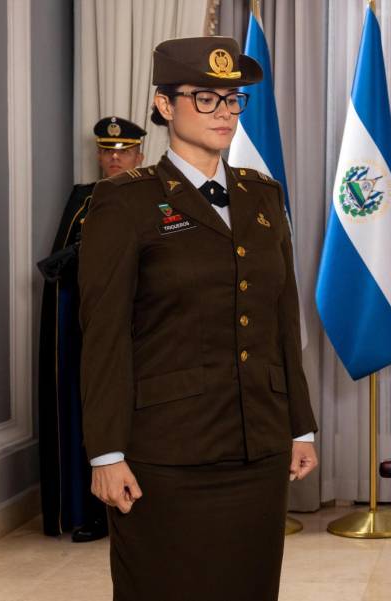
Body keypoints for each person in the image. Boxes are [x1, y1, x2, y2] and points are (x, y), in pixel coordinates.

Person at [78, 36, 318, 600]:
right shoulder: (124, 201)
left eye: (232, 99)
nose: (224, 112)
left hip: (259, 447)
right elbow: (105, 336)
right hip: (166, 453)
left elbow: (282, 319)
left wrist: (299, 427)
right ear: (164, 105)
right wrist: (106, 453)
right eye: (204, 98)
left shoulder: (262, 195)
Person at [37, 116, 146, 542]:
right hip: (86, 323)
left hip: (138, 323)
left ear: (139, 154)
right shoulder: (83, 198)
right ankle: (90, 511)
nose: (114, 158)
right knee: (87, 407)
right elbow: (61, 271)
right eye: (107, 151)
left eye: (123, 152)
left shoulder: (151, 193)